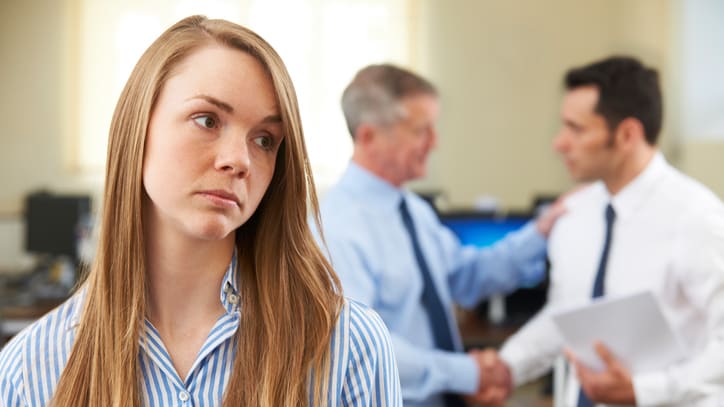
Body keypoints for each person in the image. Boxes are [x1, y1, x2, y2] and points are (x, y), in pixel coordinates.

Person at [0, 16, 402, 407]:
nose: (239, 159)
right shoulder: (29, 370)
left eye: (264, 140)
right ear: (137, 128)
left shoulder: (348, 346)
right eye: (207, 120)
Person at [314, 63, 564, 406]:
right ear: (369, 136)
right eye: (422, 130)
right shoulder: (337, 228)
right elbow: (360, 348)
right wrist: (467, 373)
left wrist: (541, 231)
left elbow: (467, 275)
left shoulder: (414, 211)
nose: (435, 142)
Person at [486, 56, 724, 406]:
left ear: (627, 134)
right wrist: (507, 366)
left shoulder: (698, 218)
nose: (559, 144)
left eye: (576, 129)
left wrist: (645, 391)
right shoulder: (574, 215)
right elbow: (566, 314)